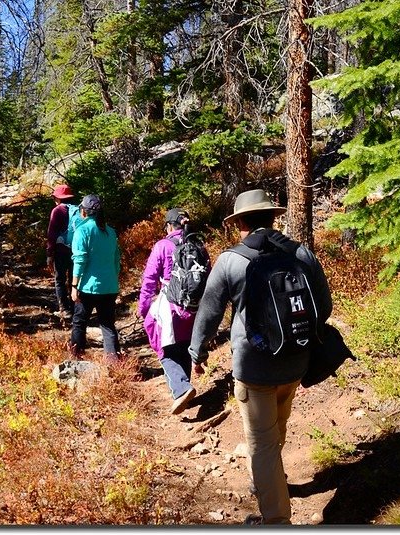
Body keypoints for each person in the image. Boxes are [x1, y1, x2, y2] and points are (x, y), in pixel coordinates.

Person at [188, 189, 332, 525]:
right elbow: (323, 306)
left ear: (239, 222)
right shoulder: (301, 253)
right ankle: (271, 486)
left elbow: (209, 313)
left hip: (254, 368)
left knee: (262, 446)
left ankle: (277, 521)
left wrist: (196, 352)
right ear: (272, 216)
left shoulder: (230, 261)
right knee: (276, 431)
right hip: (297, 362)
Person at [138, 208, 208, 415]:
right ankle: (185, 387)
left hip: (171, 306)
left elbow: (149, 281)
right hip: (195, 306)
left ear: (169, 226)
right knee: (184, 344)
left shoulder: (162, 246)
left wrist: (144, 309)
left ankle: (181, 389)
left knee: (165, 349)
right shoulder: (199, 246)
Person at [69, 194, 121, 361]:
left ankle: (76, 358)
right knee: (107, 325)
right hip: (109, 286)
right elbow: (116, 261)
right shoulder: (110, 232)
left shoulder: (82, 231)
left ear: (84, 211)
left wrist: (74, 285)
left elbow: (79, 260)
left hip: (87, 286)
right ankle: (114, 362)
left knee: (79, 321)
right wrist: (114, 280)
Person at [46, 184, 78, 318]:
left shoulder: (57, 211)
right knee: (73, 279)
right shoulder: (77, 210)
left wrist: (49, 253)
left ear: (58, 198)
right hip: (75, 250)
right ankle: (74, 307)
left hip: (61, 250)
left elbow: (52, 233)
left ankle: (64, 309)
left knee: (59, 279)